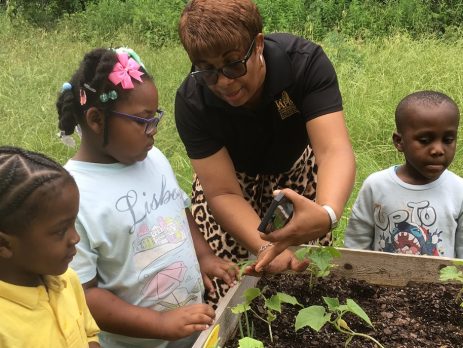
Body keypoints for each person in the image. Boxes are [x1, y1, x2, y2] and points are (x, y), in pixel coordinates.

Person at [56, 47, 238, 348]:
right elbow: (85, 294)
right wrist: (160, 324)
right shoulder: (71, 196)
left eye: (155, 118)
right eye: (144, 120)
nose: (153, 131)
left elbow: (179, 209)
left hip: (191, 332)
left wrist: (204, 256)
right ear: (96, 119)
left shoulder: (153, 158)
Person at [175, 0, 356, 300]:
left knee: (307, 277)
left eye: (233, 64)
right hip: (233, 186)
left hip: (296, 180)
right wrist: (263, 246)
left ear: (257, 44)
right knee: (232, 287)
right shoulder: (193, 101)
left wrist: (326, 213)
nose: (223, 82)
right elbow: (222, 192)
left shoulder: (304, 64)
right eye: (207, 70)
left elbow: (333, 150)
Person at [0, 146, 100, 348]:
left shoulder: (67, 279)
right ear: (4, 244)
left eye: (73, 223)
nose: (76, 238)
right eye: (60, 231)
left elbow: (89, 334)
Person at [344, 90, 463, 258]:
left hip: (441, 284)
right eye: (425, 140)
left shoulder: (459, 190)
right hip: (379, 282)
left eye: (448, 140)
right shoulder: (377, 186)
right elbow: (356, 244)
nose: (438, 150)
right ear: (399, 141)